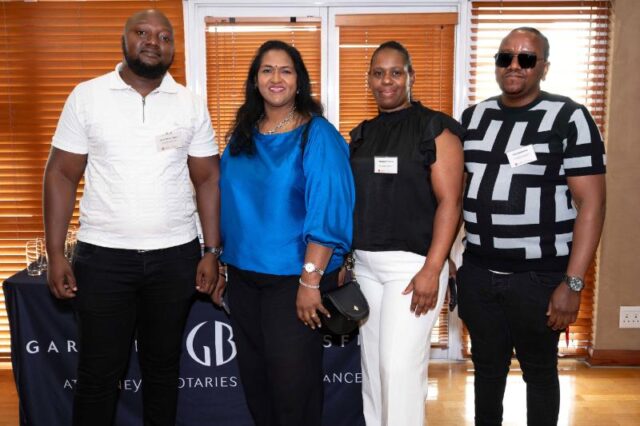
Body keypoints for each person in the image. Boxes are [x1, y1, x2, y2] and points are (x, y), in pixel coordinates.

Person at [42, 10, 220, 426]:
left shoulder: (190, 103)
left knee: (163, 371)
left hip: (175, 257)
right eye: (142, 32)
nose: (153, 41)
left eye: (164, 36)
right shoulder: (87, 96)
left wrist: (211, 250)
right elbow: (62, 173)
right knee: (97, 375)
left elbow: (208, 178)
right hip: (103, 258)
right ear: (124, 39)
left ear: (173, 48)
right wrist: (55, 253)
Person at [457, 27, 606, 426]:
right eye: (505, 57)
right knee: (486, 371)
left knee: (539, 373)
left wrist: (573, 283)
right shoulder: (473, 117)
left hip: (540, 278)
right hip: (479, 273)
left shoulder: (569, 117)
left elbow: (592, 204)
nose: (514, 66)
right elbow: (457, 196)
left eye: (526, 58)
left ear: (544, 67)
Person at [212, 40, 354, 426]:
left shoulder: (317, 135)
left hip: (293, 283)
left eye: (285, 70)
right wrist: (220, 259)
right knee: (257, 387)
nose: (276, 78)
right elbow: (230, 204)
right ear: (255, 80)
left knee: (293, 391)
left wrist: (310, 282)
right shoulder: (242, 136)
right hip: (243, 279)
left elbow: (329, 211)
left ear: (299, 80)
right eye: (267, 70)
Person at [349, 41, 465, 426]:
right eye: (378, 73)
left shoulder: (435, 127)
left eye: (396, 72)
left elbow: (451, 202)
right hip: (365, 266)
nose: (387, 81)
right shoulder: (362, 134)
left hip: (413, 268)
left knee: (398, 370)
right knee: (374, 371)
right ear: (369, 80)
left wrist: (433, 268)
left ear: (410, 76)